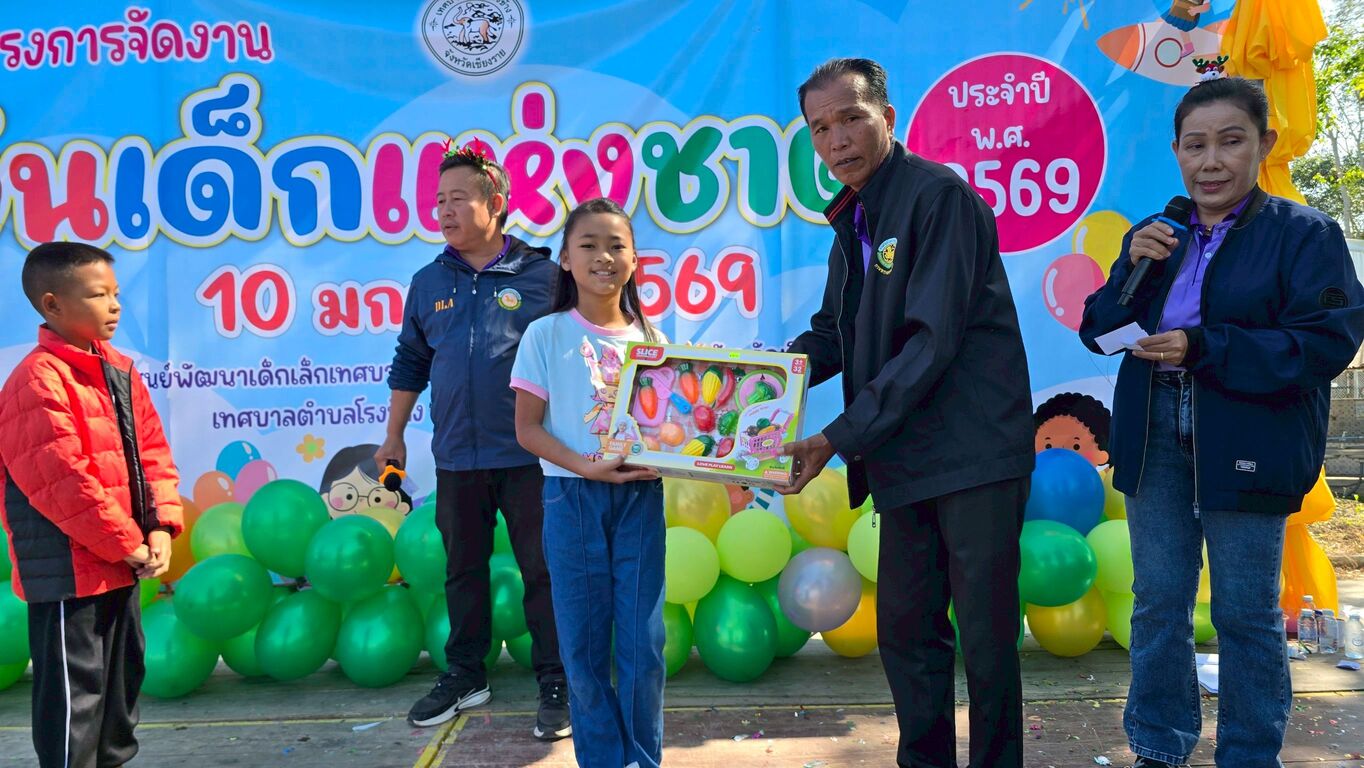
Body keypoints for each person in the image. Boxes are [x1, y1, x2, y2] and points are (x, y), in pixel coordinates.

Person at [1080, 75, 1364, 767]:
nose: (1211, 161)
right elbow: (1098, 331)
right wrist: (1131, 271)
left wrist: (1203, 347)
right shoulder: (1158, 233)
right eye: (1195, 145)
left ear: (1263, 145)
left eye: (1230, 142)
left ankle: (1249, 755)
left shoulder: (1304, 234)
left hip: (1249, 433)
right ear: (1177, 151)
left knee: (1245, 611)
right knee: (1157, 604)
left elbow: (1325, 342)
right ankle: (1159, 747)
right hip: (1153, 428)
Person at [779, 58, 1035, 768]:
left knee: (985, 640)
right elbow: (833, 334)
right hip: (904, 456)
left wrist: (836, 438)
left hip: (974, 455)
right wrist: (758, 382)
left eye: (851, 118)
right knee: (907, 632)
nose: (837, 139)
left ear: (887, 119)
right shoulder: (853, 217)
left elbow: (931, 343)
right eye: (820, 127)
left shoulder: (938, 198)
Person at [378, 145, 570, 739]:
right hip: (457, 455)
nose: (444, 210)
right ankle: (466, 673)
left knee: (544, 569)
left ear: (496, 202)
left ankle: (558, 678)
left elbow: (578, 357)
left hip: (531, 455)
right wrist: (393, 436)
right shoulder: (428, 282)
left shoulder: (544, 277)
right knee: (462, 569)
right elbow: (411, 361)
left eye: (458, 198)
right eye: (439, 200)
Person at [0, 242, 183, 768]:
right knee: (73, 706)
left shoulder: (117, 369)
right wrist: (128, 543)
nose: (115, 305)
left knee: (120, 695)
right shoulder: (37, 380)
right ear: (53, 305)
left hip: (121, 564)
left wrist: (161, 527)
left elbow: (153, 453)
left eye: (116, 293)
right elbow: (65, 484)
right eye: (98, 295)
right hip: (68, 576)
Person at [511, 197, 667, 768]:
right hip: (571, 498)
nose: (604, 256)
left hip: (639, 498)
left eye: (616, 245)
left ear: (634, 261)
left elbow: (669, 431)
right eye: (589, 245)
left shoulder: (654, 340)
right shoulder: (545, 334)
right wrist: (584, 466)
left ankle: (642, 758)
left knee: (643, 643)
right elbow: (527, 430)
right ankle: (602, 759)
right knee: (582, 644)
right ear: (566, 260)